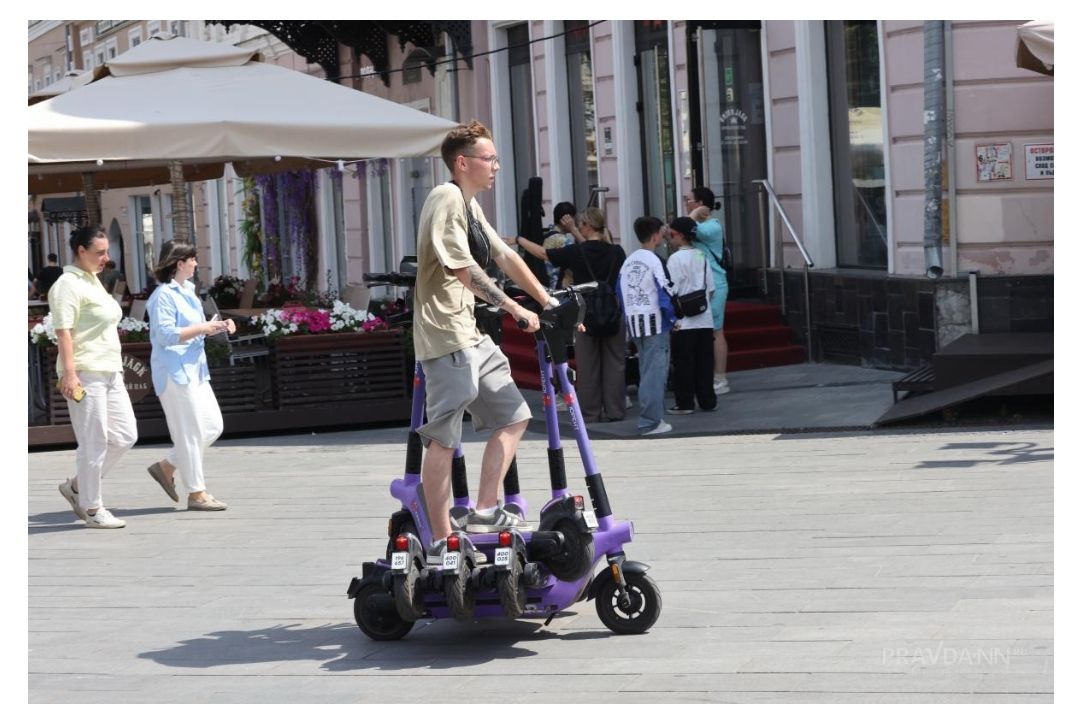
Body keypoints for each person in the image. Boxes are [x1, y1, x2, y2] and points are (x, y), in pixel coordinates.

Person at [413, 119, 555, 561]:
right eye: (489, 158)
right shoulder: (445, 197)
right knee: (444, 439)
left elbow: (505, 256)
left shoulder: (471, 206)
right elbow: (461, 269)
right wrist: (514, 308)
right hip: (445, 335)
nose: (496, 166)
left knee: (514, 415)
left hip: (470, 331)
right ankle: (439, 542)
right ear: (463, 162)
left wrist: (548, 302)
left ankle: (485, 508)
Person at [51, 226, 138, 529]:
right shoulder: (67, 284)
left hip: (110, 370)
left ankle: (77, 488)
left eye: (106, 251)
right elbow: (63, 331)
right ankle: (92, 509)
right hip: (86, 372)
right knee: (93, 441)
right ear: (81, 251)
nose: (106, 257)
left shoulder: (93, 281)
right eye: (100, 252)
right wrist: (70, 374)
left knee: (126, 435)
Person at [512, 207, 628, 422]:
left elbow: (543, 254)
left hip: (585, 315)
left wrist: (519, 240)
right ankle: (615, 411)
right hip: (612, 311)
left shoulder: (577, 252)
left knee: (588, 366)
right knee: (615, 364)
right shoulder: (617, 251)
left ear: (586, 226)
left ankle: (591, 413)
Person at [145, 243, 235, 512]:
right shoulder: (163, 295)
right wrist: (203, 327)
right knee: (189, 434)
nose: (196, 264)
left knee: (212, 426)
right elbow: (166, 335)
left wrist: (216, 326)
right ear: (178, 263)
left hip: (195, 369)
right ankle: (196, 493)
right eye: (192, 259)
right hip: (174, 372)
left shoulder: (189, 292)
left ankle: (166, 466)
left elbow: (194, 329)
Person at [618, 217, 676, 436]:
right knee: (655, 372)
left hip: (635, 322)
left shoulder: (629, 261)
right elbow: (665, 293)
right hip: (655, 322)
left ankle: (651, 418)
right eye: (661, 233)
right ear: (655, 236)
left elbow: (620, 293)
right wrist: (672, 318)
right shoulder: (655, 261)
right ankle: (650, 421)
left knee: (646, 370)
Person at [666, 217, 717, 415]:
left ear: (679, 235)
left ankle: (685, 402)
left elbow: (672, 289)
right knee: (705, 362)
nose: (670, 239)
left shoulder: (675, 259)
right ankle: (707, 400)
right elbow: (710, 288)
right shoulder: (701, 256)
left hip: (683, 322)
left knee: (684, 363)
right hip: (705, 318)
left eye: (671, 234)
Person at [687, 187, 730, 394]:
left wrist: (694, 215)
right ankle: (704, 374)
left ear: (701, 203)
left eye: (690, 201)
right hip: (698, 284)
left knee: (716, 331)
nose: (687, 203)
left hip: (716, 283)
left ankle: (720, 378)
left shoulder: (712, 226)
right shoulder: (698, 223)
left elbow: (688, 228)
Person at [540, 201, 581, 288]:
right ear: (567, 219)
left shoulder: (547, 236)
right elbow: (584, 256)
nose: (576, 221)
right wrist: (574, 230)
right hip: (559, 288)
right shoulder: (563, 241)